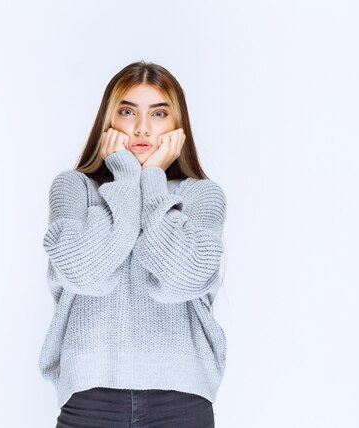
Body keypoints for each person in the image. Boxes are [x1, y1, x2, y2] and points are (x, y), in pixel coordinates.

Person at [38, 60, 228, 428]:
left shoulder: (203, 196)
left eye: (159, 114)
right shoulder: (73, 188)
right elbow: (85, 274)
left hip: (183, 401)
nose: (142, 127)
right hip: (89, 399)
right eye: (128, 111)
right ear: (109, 122)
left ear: (177, 127)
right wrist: (127, 178)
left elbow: (181, 281)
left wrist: (153, 179)